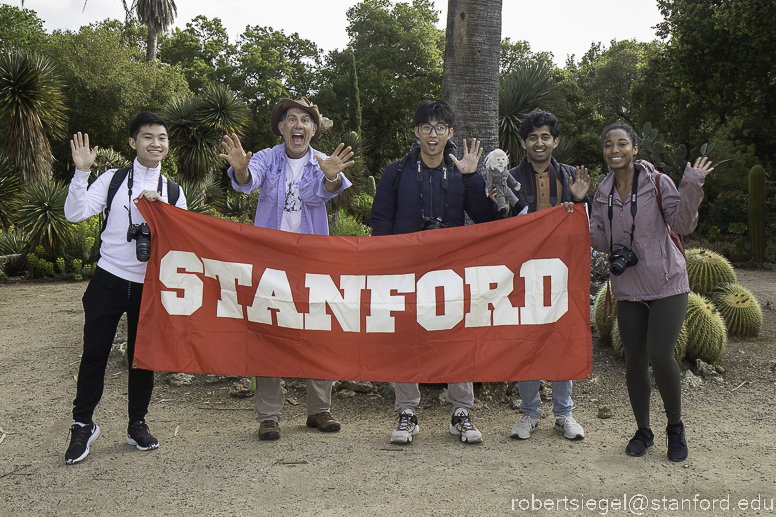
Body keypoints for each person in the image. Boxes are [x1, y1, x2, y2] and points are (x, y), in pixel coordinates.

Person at [219, 97, 354, 441]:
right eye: (291, 119)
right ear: (281, 128)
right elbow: (249, 180)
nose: (298, 125)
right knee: (268, 333)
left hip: (312, 263)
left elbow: (320, 194)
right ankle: (268, 416)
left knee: (317, 332)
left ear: (313, 129)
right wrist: (239, 169)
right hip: (270, 263)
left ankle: (319, 410)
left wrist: (330, 179)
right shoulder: (266, 157)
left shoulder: (323, 161)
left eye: (305, 120)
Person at [371, 99, 499, 444]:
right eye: (426, 127)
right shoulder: (396, 172)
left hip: (451, 271)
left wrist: (472, 178)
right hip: (406, 270)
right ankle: (407, 412)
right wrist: (384, 265)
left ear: (450, 133)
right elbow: (381, 221)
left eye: (440, 127)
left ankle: (461, 412)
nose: (432, 134)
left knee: (456, 337)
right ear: (416, 132)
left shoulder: (462, 172)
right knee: (406, 339)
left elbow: (487, 219)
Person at [63, 111, 188, 465]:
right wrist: (82, 171)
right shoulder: (113, 180)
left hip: (149, 285)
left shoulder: (174, 192)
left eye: (162, 137)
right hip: (109, 278)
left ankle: (137, 423)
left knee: (143, 358)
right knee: (94, 355)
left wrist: (165, 212)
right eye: (148, 137)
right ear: (133, 142)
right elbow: (75, 213)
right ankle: (83, 424)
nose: (156, 143)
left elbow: (185, 241)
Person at [589, 122, 713, 462]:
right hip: (629, 287)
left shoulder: (658, 183)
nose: (615, 150)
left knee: (659, 354)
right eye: (609, 145)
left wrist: (692, 185)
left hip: (666, 283)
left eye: (622, 143)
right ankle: (644, 430)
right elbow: (599, 241)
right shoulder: (603, 192)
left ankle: (676, 427)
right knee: (635, 360)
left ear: (635, 149)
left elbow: (683, 225)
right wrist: (575, 205)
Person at [507, 109, 589, 441]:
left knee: (561, 338)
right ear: (523, 142)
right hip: (522, 272)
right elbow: (500, 224)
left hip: (562, 274)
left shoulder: (571, 177)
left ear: (555, 141)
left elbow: (589, 228)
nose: (539, 143)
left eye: (545, 136)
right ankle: (528, 414)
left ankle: (564, 414)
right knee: (526, 340)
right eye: (532, 137)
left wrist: (581, 202)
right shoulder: (509, 177)